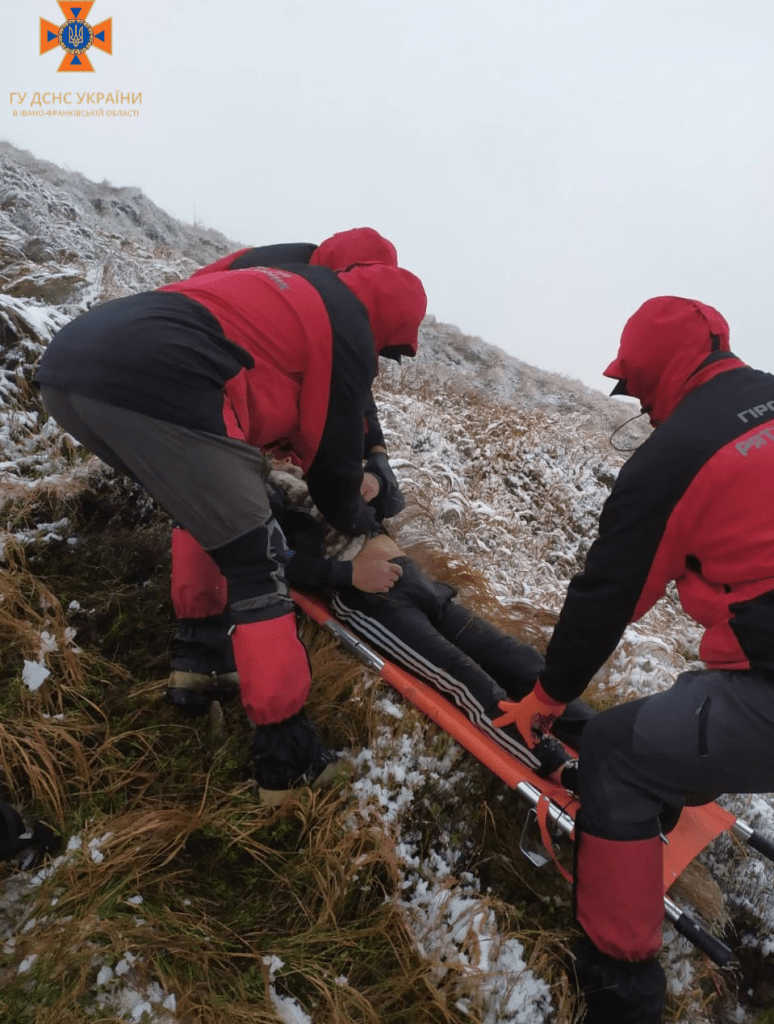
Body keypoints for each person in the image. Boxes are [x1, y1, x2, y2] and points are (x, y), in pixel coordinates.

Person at [34, 256, 427, 804]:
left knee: (206, 510)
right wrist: (361, 521)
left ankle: (201, 666)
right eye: (388, 349)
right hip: (166, 381)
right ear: (386, 321)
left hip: (71, 368)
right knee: (257, 562)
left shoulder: (287, 282)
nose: (380, 362)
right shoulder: (347, 327)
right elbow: (330, 468)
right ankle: (288, 764)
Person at [503, 296, 774, 1023]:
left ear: (656, 372)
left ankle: (620, 988)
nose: (641, 406)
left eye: (636, 387)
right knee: (695, 693)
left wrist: (548, 696)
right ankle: (666, 793)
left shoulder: (675, 456)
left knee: (617, 752)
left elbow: (607, 595)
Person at [167, 229, 407, 710]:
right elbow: (333, 394)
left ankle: (197, 658)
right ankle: (269, 720)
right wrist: (354, 533)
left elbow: (350, 385)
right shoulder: (313, 293)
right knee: (238, 528)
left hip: (170, 356)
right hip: (205, 371)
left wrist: (375, 452)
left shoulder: (301, 273)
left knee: (201, 500)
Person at [266, 465, 593, 782]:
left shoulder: (319, 456)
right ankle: (562, 768)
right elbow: (274, 564)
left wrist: (375, 481)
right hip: (371, 599)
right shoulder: (256, 491)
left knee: (521, 661)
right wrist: (349, 575)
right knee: (465, 678)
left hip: (417, 582)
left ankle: (602, 741)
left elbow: (389, 497)